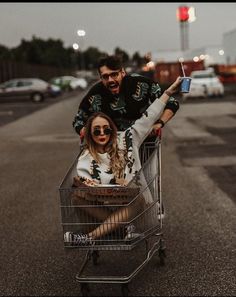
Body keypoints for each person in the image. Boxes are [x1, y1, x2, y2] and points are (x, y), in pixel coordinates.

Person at [64, 76, 182, 246]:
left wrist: (168, 92)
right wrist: (89, 184)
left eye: (106, 129)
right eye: (96, 131)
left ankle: (90, 237)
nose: (102, 134)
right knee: (76, 197)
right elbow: (84, 177)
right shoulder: (87, 154)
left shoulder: (127, 138)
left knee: (138, 198)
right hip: (104, 199)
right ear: (91, 135)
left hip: (131, 199)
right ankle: (124, 228)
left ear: (113, 129)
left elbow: (149, 116)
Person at [72, 55, 179, 138]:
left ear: (122, 72)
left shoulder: (141, 83)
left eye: (114, 74)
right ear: (100, 77)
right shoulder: (95, 94)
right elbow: (79, 120)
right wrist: (87, 133)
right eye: (105, 76)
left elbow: (172, 103)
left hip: (144, 142)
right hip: (111, 149)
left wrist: (159, 123)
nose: (110, 80)